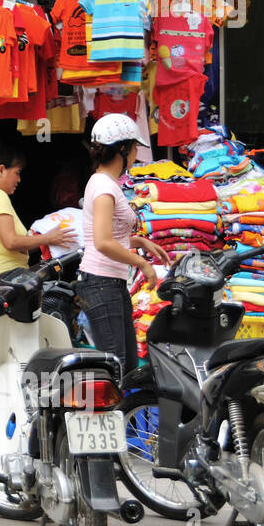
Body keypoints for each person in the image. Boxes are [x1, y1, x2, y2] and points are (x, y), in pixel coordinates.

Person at [79, 114, 168, 372]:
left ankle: (120, 412)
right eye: (135, 146)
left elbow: (109, 235)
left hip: (108, 283)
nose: (137, 153)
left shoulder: (106, 183)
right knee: (114, 366)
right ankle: (104, 413)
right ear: (122, 148)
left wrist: (139, 241)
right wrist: (143, 264)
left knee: (125, 364)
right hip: (100, 283)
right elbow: (103, 241)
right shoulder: (104, 187)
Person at [0, 140, 70, 288]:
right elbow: (11, 242)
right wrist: (48, 238)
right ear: (1, 170)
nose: (19, 180)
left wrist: (44, 238)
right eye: (17, 173)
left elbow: (18, 245)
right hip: (1, 283)